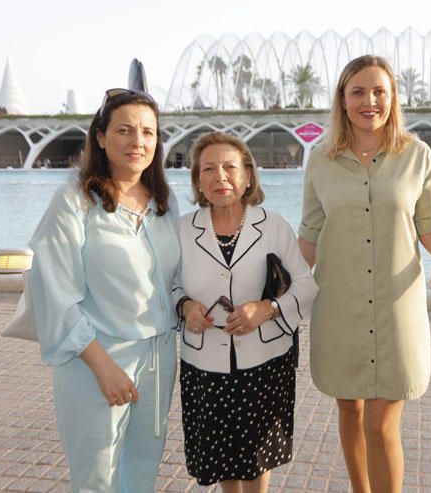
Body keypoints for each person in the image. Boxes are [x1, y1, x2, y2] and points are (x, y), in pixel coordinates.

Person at [299, 55, 431, 493]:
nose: (369, 101)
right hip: (339, 309)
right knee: (349, 413)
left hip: (397, 311)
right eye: (358, 92)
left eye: (379, 92)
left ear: (392, 98)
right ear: (343, 100)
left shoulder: (417, 155)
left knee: (381, 423)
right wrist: (268, 291)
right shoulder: (320, 160)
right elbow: (310, 234)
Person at [28, 88, 180, 492]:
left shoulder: (165, 203)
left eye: (148, 132)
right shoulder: (74, 202)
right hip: (95, 359)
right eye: (125, 130)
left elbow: (174, 281)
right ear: (100, 136)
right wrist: (103, 367)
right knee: (98, 478)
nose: (138, 142)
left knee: (142, 471)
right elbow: (55, 294)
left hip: (158, 359)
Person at [172, 132, 318, 493]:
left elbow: (306, 284)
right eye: (208, 169)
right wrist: (186, 306)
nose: (220, 177)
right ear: (197, 181)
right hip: (206, 364)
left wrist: (266, 308)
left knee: (256, 457)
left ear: (248, 176)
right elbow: (170, 286)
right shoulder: (182, 230)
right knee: (221, 455)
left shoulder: (273, 225)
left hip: (264, 362)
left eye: (229, 167)